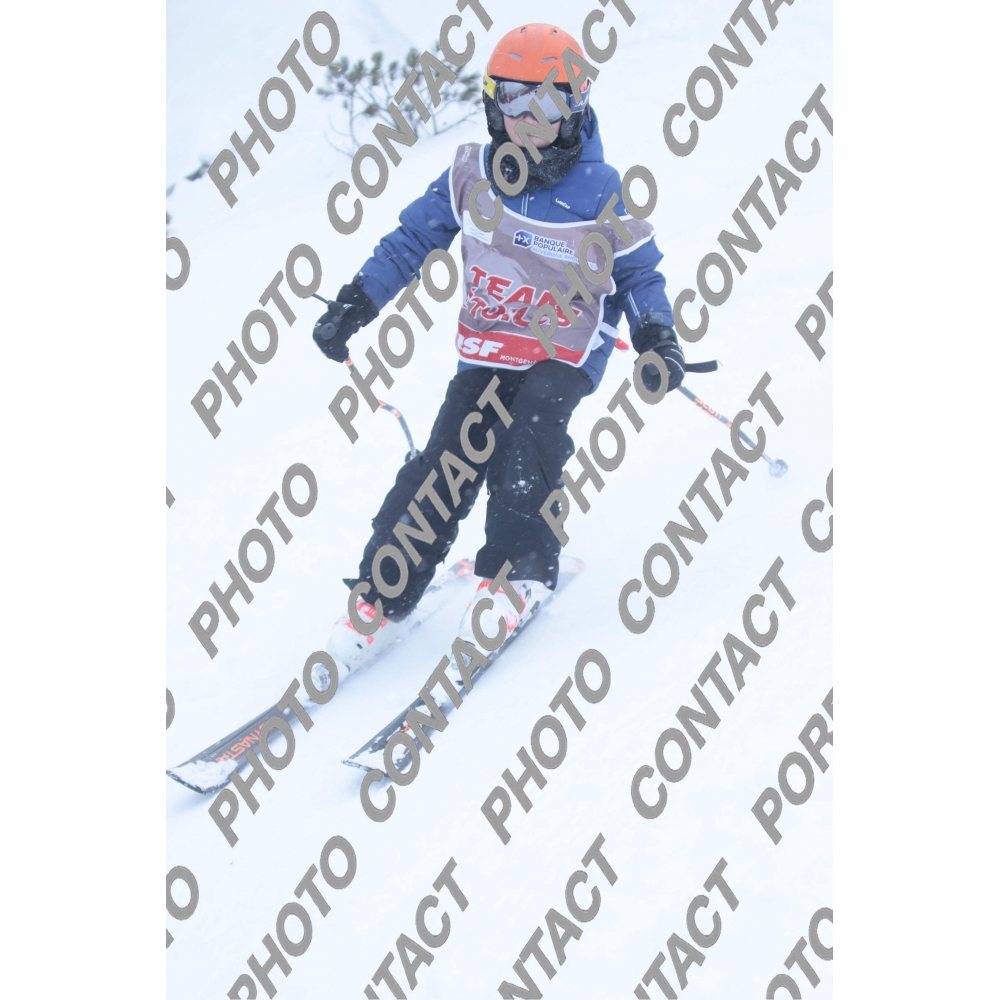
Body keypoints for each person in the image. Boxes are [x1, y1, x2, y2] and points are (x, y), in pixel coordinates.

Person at [314, 24, 687, 677]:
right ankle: (383, 591)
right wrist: (358, 301)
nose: (530, 118)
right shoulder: (469, 174)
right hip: (488, 346)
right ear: (492, 102)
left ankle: (520, 571)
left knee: (527, 435)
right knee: (448, 460)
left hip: (565, 348)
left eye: (550, 101)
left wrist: (657, 334)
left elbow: (638, 274)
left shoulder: (600, 190)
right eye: (514, 98)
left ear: (576, 105)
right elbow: (412, 240)